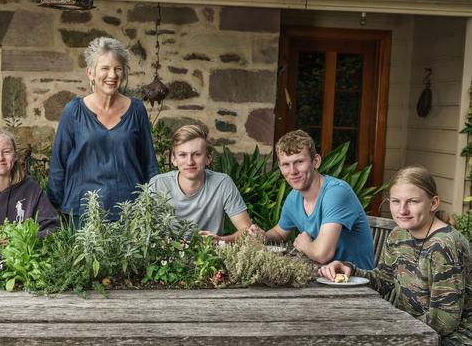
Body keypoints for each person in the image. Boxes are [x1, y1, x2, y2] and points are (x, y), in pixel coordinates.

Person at [319, 166, 471, 345]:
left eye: (413, 201)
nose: (402, 210)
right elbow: (383, 281)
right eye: (396, 201)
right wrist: (349, 269)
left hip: (450, 340)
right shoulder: (398, 235)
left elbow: (445, 320)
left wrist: (389, 327)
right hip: (410, 330)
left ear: (434, 203)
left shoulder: (445, 245)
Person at [48, 37, 158, 228]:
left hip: (129, 211)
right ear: (90, 73)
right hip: (82, 212)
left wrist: (152, 204)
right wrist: (54, 207)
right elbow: (59, 163)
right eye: (105, 68)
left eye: (118, 68)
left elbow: (149, 163)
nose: (112, 75)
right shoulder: (73, 111)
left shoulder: (137, 110)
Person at [264, 130, 375, 269]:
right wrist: (260, 236)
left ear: (316, 161)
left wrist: (305, 245)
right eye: (286, 164)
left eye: (299, 162)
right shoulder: (294, 197)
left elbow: (323, 254)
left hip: (354, 283)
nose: (292, 171)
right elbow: (280, 233)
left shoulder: (336, 192)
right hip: (321, 279)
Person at [149, 125, 262, 243]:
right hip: (166, 257)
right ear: (174, 159)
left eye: (197, 154)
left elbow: (247, 230)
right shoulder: (158, 184)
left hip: (209, 257)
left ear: (208, 158)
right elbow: (143, 230)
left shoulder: (222, 184)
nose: (190, 162)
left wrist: (220, 240)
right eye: (182, 155)